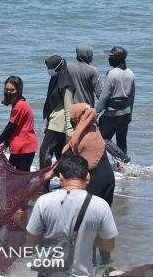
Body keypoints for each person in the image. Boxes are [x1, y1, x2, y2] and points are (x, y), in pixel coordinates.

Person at [26, 154, 117, 277]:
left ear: (61, 177)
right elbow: (108, 245)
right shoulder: (100, 205)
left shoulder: (43, 202)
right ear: (88, 177)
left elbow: (31, 240)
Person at [62, 103, 116, 265]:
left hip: (97, 182)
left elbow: (67, 156)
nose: (72, 124)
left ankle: (90, 263)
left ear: (79, 118)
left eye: (72, 121)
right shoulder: (93, 130)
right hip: (108, 181)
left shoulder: (80, 138)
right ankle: (106, 263)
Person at [95, 46, 135, 156]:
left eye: (111, 57)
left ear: (117, 59)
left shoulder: (112, 73)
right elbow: (132, 96)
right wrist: (130, 113)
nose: (109, 58)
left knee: (101, 139)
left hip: (112, 113)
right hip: (125, 113)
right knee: (122, 141)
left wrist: (96, 112)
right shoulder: (131, 73)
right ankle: (122, 166)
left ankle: (118, 160)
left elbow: (104, 95)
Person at [0, 76, 38, 171]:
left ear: (18, 90)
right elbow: (15, 127)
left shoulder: (20, 105)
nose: (8, 92)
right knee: (13, 174)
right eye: (6, 90)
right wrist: (6, 143)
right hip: (19, 145)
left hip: (25, 146)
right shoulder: (19, 103)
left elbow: (11, 127)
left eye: (12, 90)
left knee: (21, 176)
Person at [39, 55, 74, 170]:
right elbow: (51, 104)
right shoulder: (55, 80)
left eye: (50, 67)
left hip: (60, 124)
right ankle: (66, 180)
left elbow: (69, 107)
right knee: (61, 155)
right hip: (54, 122)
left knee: (45, 152)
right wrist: (48, 124)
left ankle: (44, 182)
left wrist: (69, 130)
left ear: (59, 67)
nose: (49, 70)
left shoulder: (66, 84)